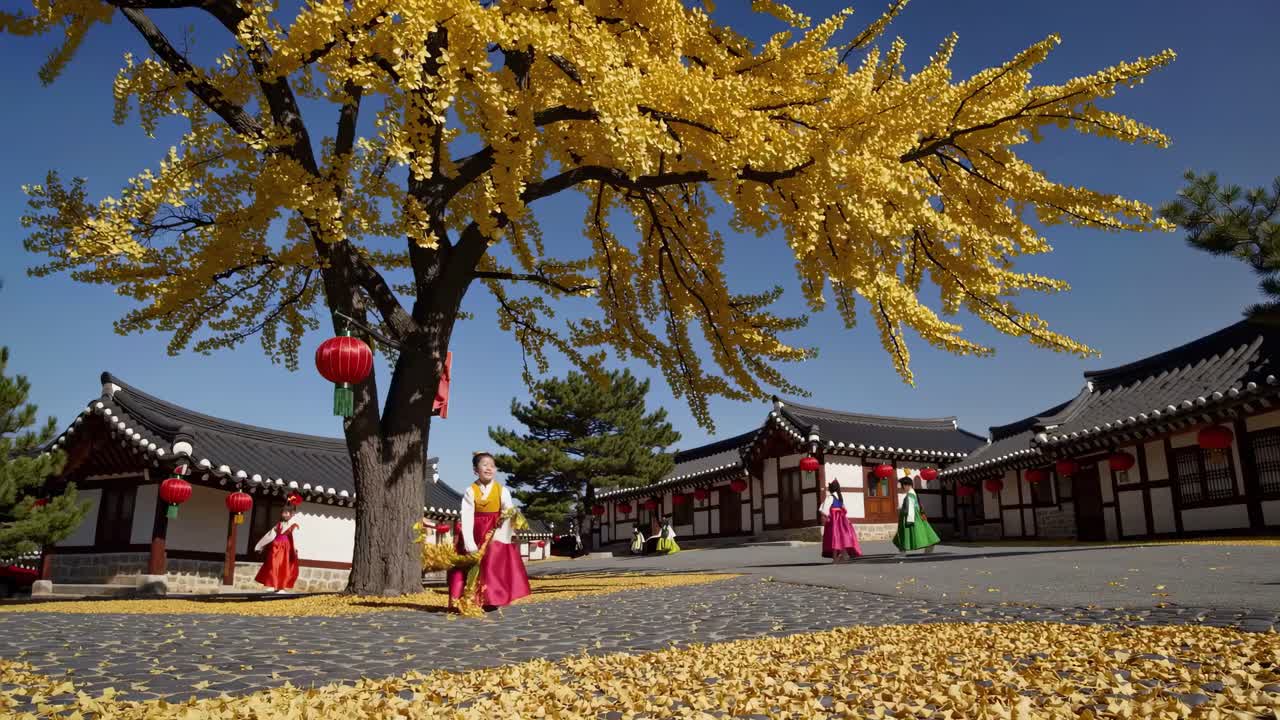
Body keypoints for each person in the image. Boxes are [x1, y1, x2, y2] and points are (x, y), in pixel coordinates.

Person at [448, 452, 531, 612]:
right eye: (484, 464)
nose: (489, 468)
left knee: (492, 565)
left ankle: (491, 599)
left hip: (496, 531)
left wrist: (500, 536)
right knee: (470, 565)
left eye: (492, 465)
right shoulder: (470, 490)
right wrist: (469, 541)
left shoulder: (502, 490)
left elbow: (508, 511)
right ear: (475, 470)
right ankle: (465, 600)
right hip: (475, 531)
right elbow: (466, 515)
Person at [254, 494, 302, 593]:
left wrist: (295, 548)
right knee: (272, 565)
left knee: (283, 567)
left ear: (292, 514)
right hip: (275, 547)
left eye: (287, 512)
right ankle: (272, 584)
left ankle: (281, 587)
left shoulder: (293, 525)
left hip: (286, 549)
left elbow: (296, 538)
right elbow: (270, 534)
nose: (284, 514)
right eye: (283, 512)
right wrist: (260, 545)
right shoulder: (279, 524)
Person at [892, 476, 940, 555]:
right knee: (923, 532)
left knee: (906, 534)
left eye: (902, 486)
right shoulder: (912, 493)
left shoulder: (910, 495)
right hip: (915, 516)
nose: (901, 488)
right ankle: (928, 547)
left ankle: (902, 552)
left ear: (906, 485)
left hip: (911, 517)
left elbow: (910, 508)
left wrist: (909, 519)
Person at [819, 480, 862, 563]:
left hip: (834, 520)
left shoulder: (830, 497)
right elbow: (844, 509)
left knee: (834, 538)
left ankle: (836, 557)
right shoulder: (840, 498)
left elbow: (823, 509)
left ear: (831, 489)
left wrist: (826, 516)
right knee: (842, 537)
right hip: (842, 520)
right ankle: (844, 554)